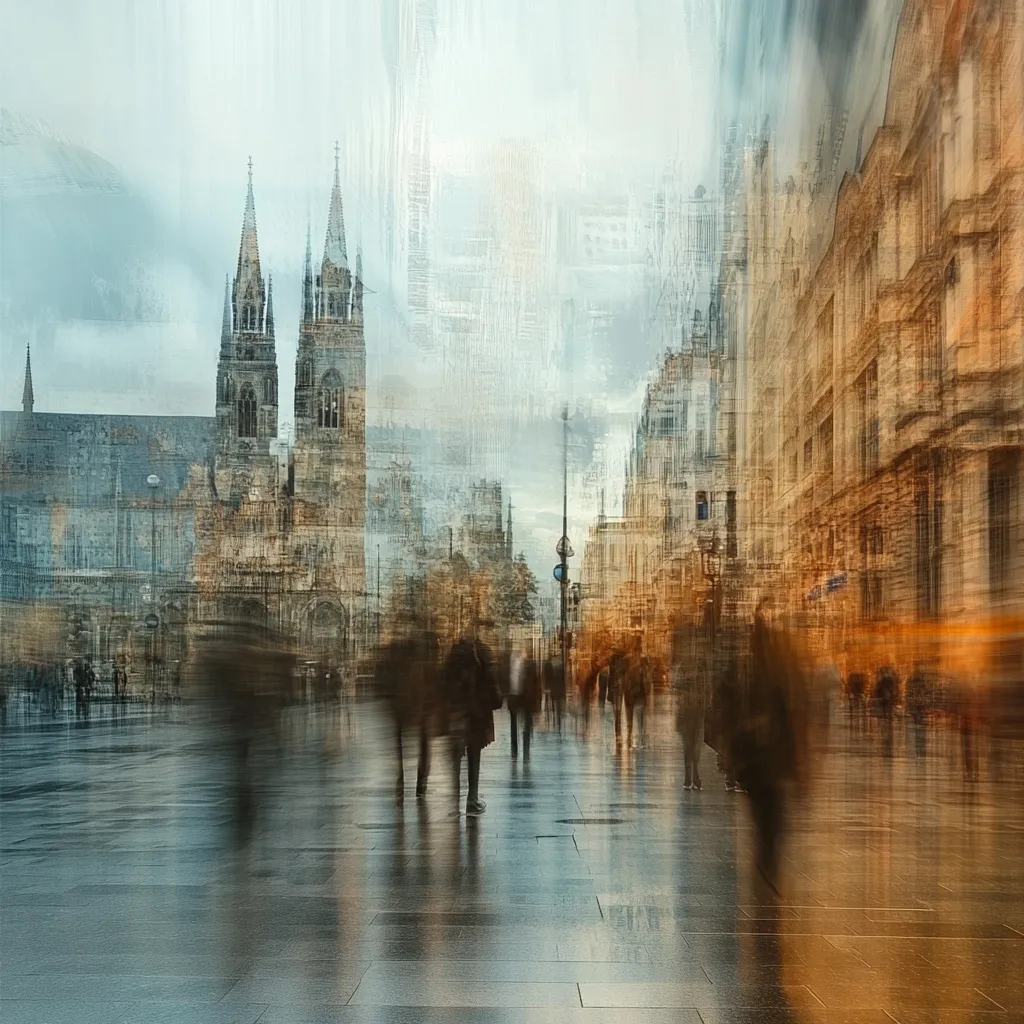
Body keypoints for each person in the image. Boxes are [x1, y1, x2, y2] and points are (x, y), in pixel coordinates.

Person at [443, 620, 502, 816]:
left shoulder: (453, 653)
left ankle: (454, 801)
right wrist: (495, 699)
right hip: (476, 711)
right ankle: (472, 799)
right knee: (474, 753)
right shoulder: (482, 652)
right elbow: (492, 680)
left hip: (456, 710)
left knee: (456, 755)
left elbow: (443, 680)